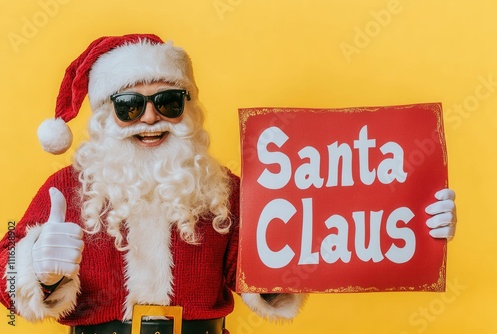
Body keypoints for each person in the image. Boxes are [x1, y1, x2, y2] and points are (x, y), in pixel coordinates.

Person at [0, 34, 457, 334]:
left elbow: (280, 267)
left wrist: (415, 225)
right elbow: (6, 277)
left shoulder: (225, 189)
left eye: (168, 100)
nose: (151, 118)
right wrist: (37, 265)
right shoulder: (66, 188)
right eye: (129, 107)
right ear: (105, 116)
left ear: (188, 109)